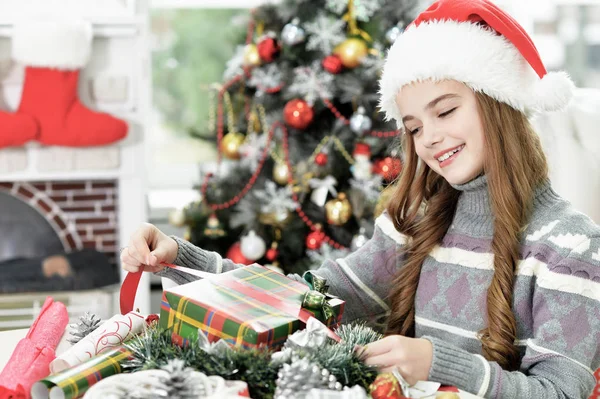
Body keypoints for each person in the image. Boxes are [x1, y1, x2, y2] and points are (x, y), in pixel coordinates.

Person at [121, 0, 600, 397]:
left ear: (500, 103)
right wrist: (182, 257)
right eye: (413, 127)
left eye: (446, 110)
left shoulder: (571, 245)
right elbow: (310, 299)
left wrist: (442, 364)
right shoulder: (415, 222)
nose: (429, 138)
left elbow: (561, 391)